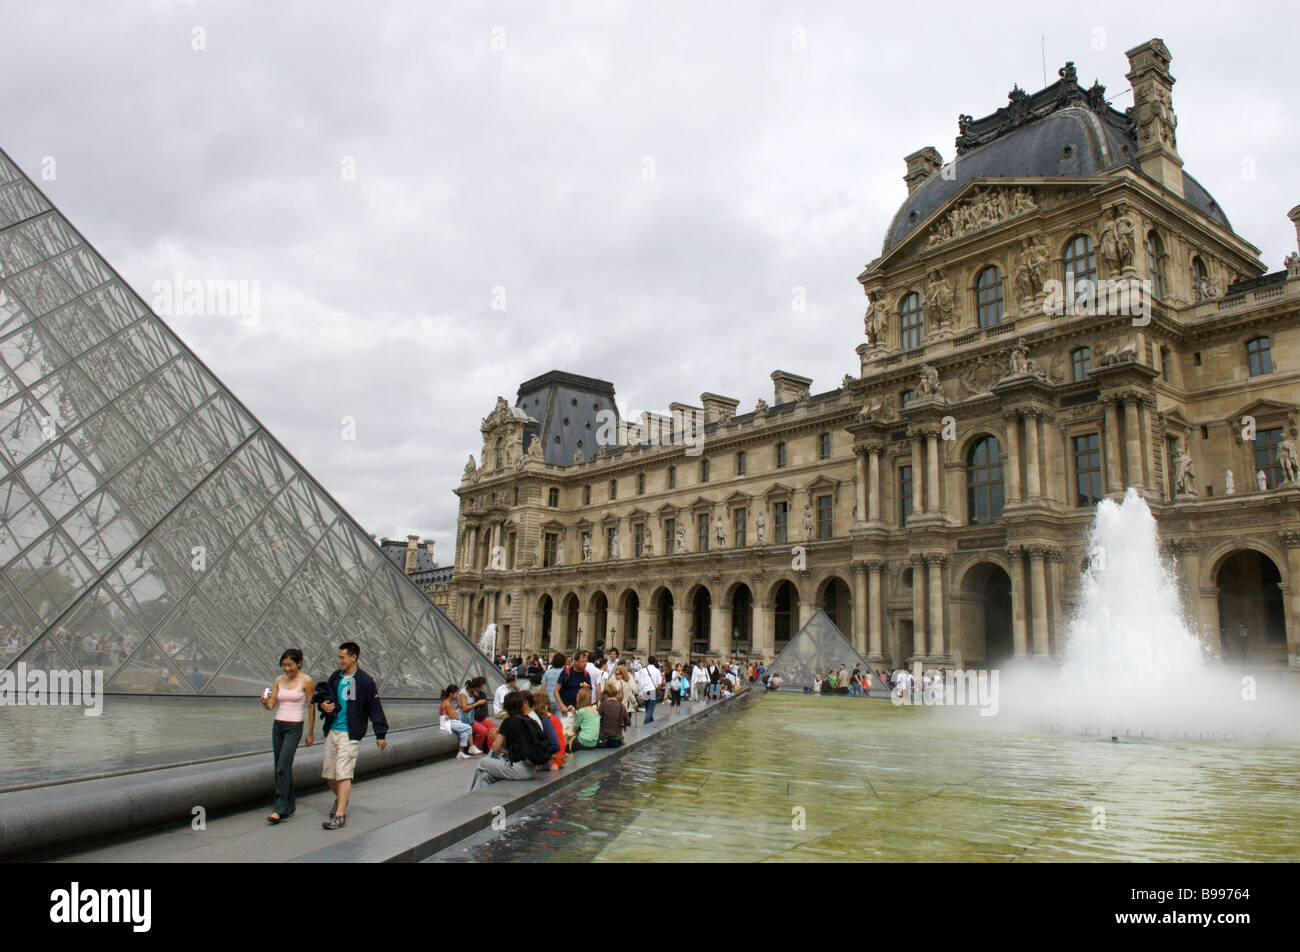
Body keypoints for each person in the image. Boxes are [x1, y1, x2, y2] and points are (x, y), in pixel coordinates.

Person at [313, 641, 388, 831]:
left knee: (344, 773)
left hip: (350, 733)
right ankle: (341, 799)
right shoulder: (335, 678)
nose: (339, 661)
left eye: (342, 657)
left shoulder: (365, 681)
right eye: (339, 657)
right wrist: (323, 704)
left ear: (353, 657)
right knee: (328, 773)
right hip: (333, 730)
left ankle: (339, 814)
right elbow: (325, 697)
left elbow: (374, 707)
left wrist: (380, 733)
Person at [262, 648, 316, 824]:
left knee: (283, 766)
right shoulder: (278, 680)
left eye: (290, 665)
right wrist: (265, 702)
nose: (286, 669)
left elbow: (311, 707)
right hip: (278, 725)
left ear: (299, 663)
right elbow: (272, 705)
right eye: (283, 665)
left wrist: (310, 733)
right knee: (280, 764)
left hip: (294, 726)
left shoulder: (307, 681)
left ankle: (279, 808)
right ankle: (289, 804)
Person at [468, 691, 550, 789]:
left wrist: (494, 736)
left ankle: (471, 794)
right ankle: (478, 796)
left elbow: (495, 747)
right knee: (485, 775)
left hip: (518, 768)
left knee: (482, 762)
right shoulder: (529, 720)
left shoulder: (509, 721)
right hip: (532, 768)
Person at [440, 684, 481, 759]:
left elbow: (451, 715)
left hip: (449, 721)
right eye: (456, 693)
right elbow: (453, 716)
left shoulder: (448, 702)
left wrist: (453, 713)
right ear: (451, 693)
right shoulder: (447, 703)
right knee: (468, 727)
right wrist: (456, 712)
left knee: (464, 733)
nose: (457, 695)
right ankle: (471, 746)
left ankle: (460, 752)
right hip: (448, 723)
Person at [531, 690, 567, 771]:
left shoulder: (552, 720)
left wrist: (557, 763)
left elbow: (561, 743)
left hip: (550, 758)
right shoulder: (537, 719)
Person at [557, 652, 592, 717]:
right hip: (566, 710)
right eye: (582, 661)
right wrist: (562, 705)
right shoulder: (567, 672)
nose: (585, 664)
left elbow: (589, 693)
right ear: (575, 662)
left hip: (580, 711)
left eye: (586, 661)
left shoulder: (586, 675)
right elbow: (556, 691)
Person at [597, 681, 631, 747]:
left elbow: (597, 719)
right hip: (617, 741)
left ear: (606, 694)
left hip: (605, 740)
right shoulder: (621, 706)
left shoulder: (603, 705)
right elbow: (628, 722)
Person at [570, 685, 601, 750]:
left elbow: (575, 729)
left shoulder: (582, 711)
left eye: (577, 696)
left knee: (567, 746)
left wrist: (573, 713)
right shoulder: (595, 710)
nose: (576, 698)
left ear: (580, 698)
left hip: (583, 741)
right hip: (594, 743)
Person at [634, 655, 662, 723]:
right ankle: (645, 725)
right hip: (652, 690)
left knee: (648, 708)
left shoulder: (643, 670)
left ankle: (652, 723)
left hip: (645, 690)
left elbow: (640, 682)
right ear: (655, 662)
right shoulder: (657, 670)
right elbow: (659, 682)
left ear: (648, 661)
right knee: (650, 709)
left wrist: (640, 693)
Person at [542, 651, 566, 716]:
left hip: (548, 700)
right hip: (559, 700)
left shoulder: (547, 673)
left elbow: (543, 688)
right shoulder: (564, 673)